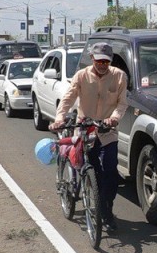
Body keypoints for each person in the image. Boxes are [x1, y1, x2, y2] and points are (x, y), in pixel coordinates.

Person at [49, 43, 128, 232]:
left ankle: (106, 209)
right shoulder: (82, 76)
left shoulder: (119, 76)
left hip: (108, 131)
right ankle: (86, 191)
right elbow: (68, 98)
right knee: (92, 170)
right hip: (85, 129)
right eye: (99, 60)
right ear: (92, 58)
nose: (102, 64)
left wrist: (114, 118)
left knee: (110, 173)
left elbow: (122, 103)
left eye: (105, 61)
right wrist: (60, 118)